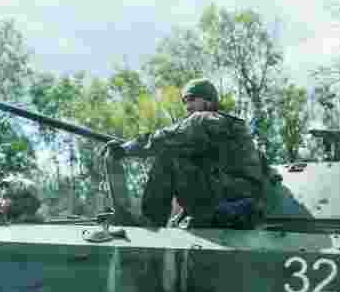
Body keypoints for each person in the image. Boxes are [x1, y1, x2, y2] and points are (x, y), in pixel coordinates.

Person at [101, 78, 266, 229]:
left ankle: (151, 221)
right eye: (185, 101)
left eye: (192, 99)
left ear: (208, 100)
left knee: (168, 153)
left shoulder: (204, 119)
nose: (188, 106)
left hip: (229, 204)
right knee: (182, 154)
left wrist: (125, 149)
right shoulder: (231, 125)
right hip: (245, 208)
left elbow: (164, 138)